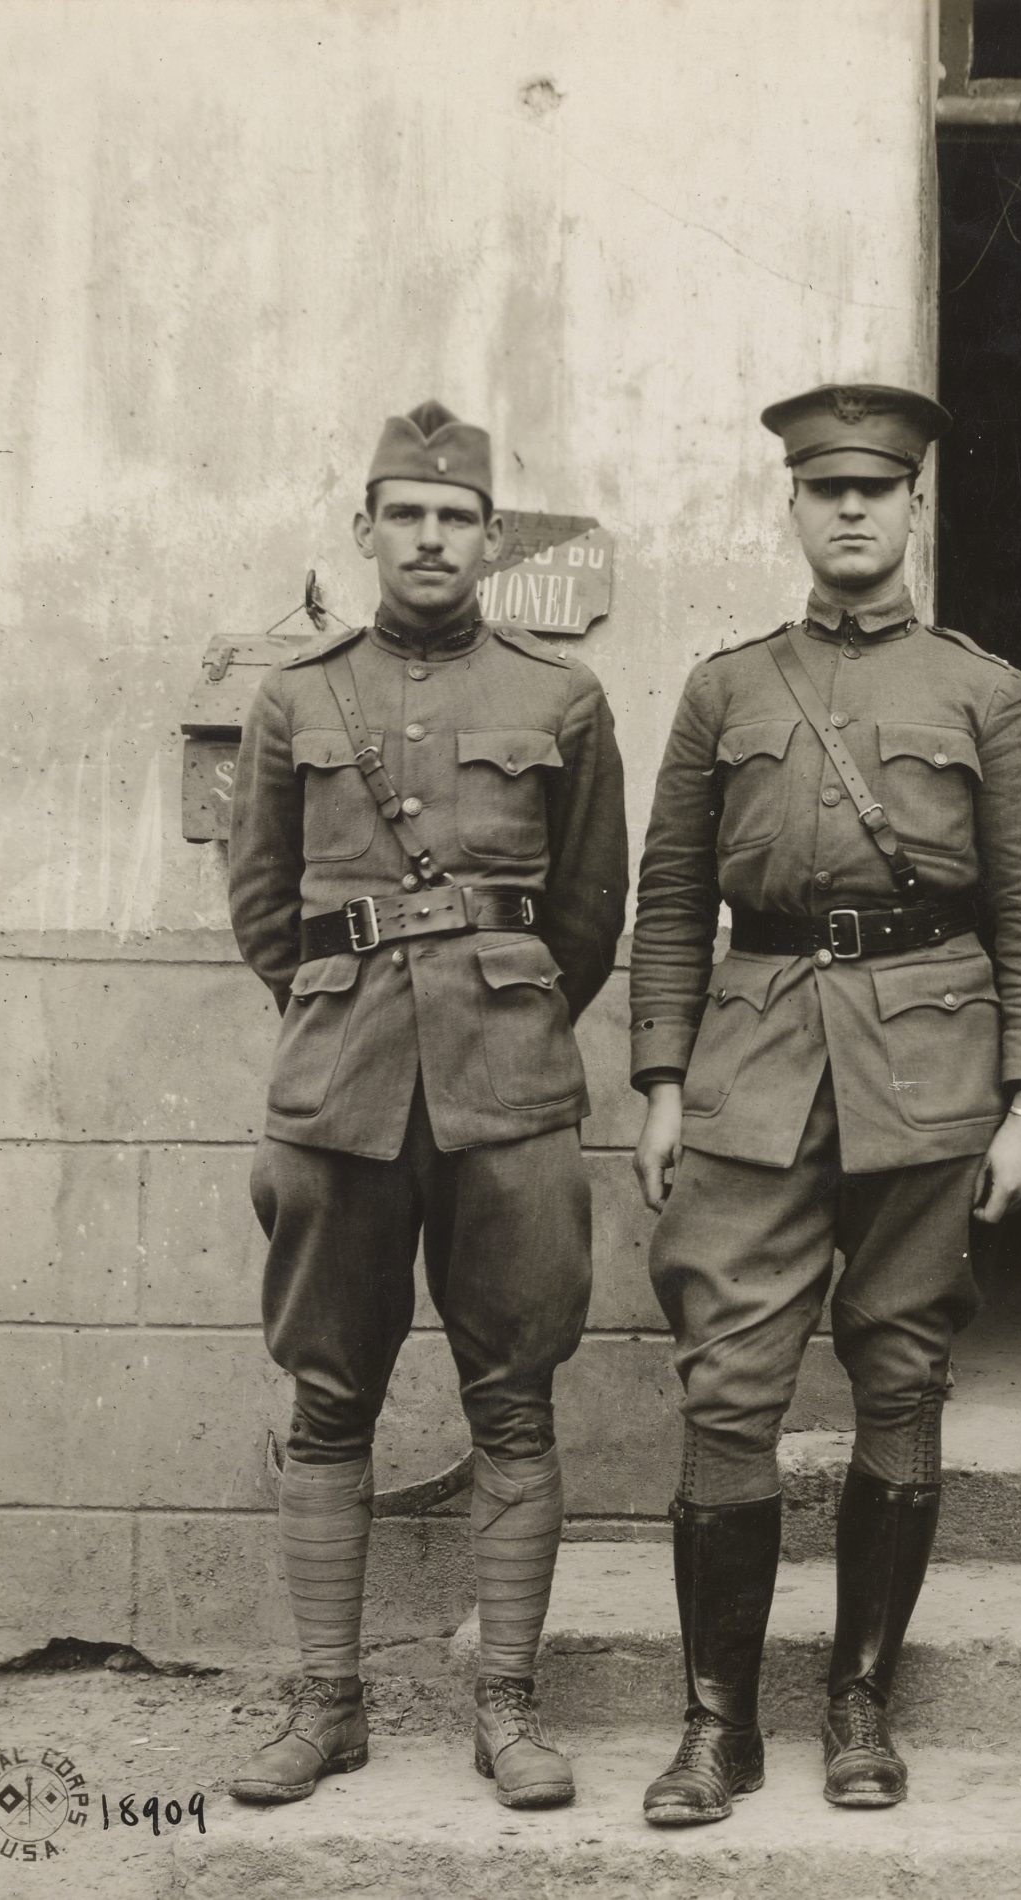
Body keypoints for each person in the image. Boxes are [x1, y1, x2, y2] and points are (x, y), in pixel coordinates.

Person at [627, 383, 1021, 1824]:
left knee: (902, 1373)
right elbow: (669, 899)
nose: (851, 513)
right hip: (752, 1062)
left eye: (875, 491)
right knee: (728, 1384)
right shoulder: (727, 690)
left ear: (914, 507)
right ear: (794, 508)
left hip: (933, 1069)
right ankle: (719, 1727)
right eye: (827, 492)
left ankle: (860, 1703)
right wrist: (659, 1081)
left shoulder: (986, 692)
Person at [225, 400, 629, 1809]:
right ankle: (327, 1703)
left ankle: (506, 1707)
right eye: (407, 515)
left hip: (508, 1094)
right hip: (338, 1096)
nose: (432, 539)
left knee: (513, 1403)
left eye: (458, 518)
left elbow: (588, 914)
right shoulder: (295, 698)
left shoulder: (560, 698)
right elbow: (264, 912)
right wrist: (345, 1016)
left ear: (493, 539)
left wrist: (501, 1013)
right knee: (329, 1400)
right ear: (367, 530)